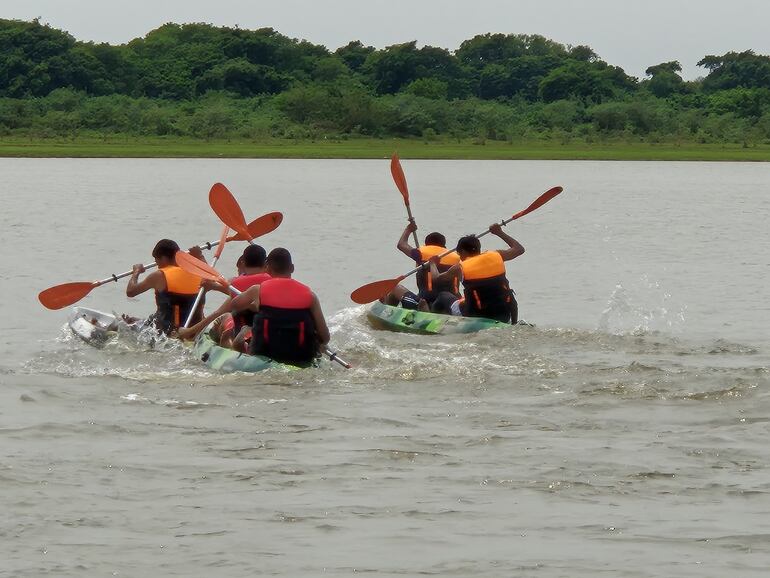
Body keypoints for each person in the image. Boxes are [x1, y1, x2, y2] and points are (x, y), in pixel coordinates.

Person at [229, 248, 330, 366]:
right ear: (292, 268)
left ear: (267, 268)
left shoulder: (257, 290)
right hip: (300, 357)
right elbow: (325, 337)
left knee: (240, 337)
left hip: (264, 354)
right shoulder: (310, 296)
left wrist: (254, 306)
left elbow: (234, 306)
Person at [429, 223, 524, 323]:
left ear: (463, 252)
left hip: (475, 314)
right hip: (503, 313)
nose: (459, 257)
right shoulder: (496, 255)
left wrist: (432, 263)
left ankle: (433, 321)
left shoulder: (459, 268)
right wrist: (499, 233)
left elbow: (436, 279)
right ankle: (513, 323)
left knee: (443, 296)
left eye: (459, 253)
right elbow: (519, 249)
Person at [125, 239, 205, 334]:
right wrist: (200, 256)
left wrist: (136, 272)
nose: (158, 266)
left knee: (124, 325)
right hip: (194, 330)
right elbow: (213, 277)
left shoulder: (159, 275)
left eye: (157, 261)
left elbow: (130, 291)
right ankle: (139, 322)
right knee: (135, 321)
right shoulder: (199, 272)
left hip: (168, 332)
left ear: (164, 258)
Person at [384, 222, 461, 311]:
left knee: (395, 288)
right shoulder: (457, 258)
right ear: (444, 246)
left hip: (427, 300)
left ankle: (386, 311)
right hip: (452, 302)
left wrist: (408, 230)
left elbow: (401, 245)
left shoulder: (421, 253)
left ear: (426, 245)